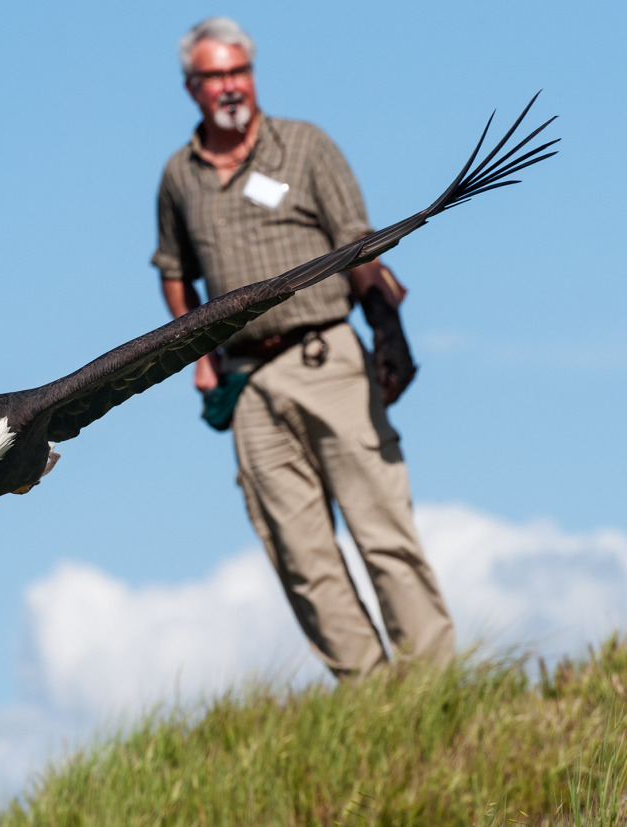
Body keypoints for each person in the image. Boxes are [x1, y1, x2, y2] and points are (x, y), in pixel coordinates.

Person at [151, 16, 454, 679]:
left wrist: (387, 327)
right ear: (190, 87)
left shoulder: (307, 147)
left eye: (241, 71)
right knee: (299, 554)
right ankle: (374, 704)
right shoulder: (179, 177)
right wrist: (199, 357)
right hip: (250, 383)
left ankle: (438, 687)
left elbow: (360, 242)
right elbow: (175, 274)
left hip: (328, 359)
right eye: (216, 76)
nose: (231, 86)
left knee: (382, 528)